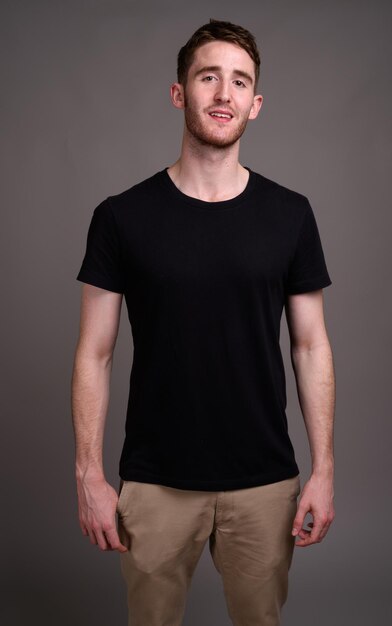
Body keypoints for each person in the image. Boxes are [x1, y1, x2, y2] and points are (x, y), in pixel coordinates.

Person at [71, 18, 335, 626]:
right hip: (155, 483)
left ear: (256, 104)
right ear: (179, 92)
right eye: (208, 77)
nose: (224, 94)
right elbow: (94, 353)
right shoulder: (121, 217)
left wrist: (324, 470)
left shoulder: (290, 214)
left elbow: (311, 345)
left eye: (240, 82)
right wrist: (88, 473)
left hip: (265, 483)